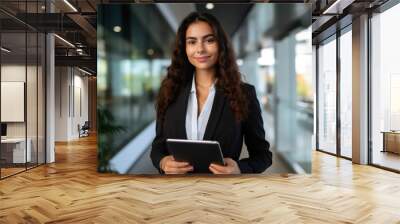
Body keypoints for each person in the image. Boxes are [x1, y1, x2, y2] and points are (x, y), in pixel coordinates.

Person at [150, 12, 272, 174]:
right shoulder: (169, 91)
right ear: (184, 48)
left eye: (209, 40)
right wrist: (163, 162)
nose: (200, 49)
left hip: (221, 194)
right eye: (192, 42)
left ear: (221, 44)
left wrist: (239, 168)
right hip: (177, 192)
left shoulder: (244, 94)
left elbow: (263, 156)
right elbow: (157, 149)